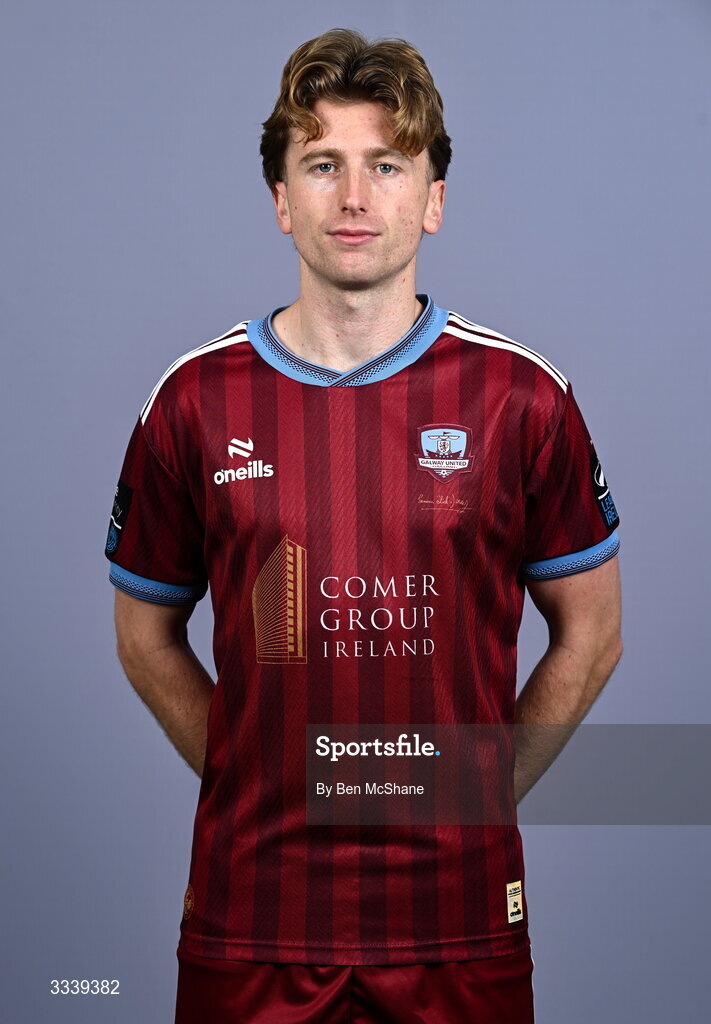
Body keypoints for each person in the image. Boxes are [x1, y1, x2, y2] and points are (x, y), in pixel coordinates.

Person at [105, 27, 622, 1023]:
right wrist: (257, 779)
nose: (353, 195)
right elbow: (143, 636)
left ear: (432, 200)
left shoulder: (523, 399)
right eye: (322, 164)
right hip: (250, 921)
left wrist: (475, 791)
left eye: (387, 164)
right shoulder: (192, 402)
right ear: (280, 198)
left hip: (456, 925)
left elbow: (592, 633)